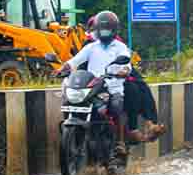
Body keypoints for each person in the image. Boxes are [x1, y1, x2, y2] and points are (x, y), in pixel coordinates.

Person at [59, 11, 134, 156]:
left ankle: (120, 142)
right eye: (102, 30)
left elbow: (127, 63)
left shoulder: (120, 47)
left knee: (117, 106)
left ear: (114, 30)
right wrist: (62, 68)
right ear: (97, 30)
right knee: (71, 101)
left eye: (108, 30)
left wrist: (123, 70)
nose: (104, 33)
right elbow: (75, 60)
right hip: (93, 87)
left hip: (112, 87)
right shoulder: (91, 47)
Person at [82, 15, 164, 143]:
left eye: (107, 28)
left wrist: (124, 73)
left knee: (138, 87)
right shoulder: (88, 45)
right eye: (98, 28)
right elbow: (78, 65)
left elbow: (128, 66)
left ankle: (146, 125)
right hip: (94, 84)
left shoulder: (118, 45)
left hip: (115, 82)